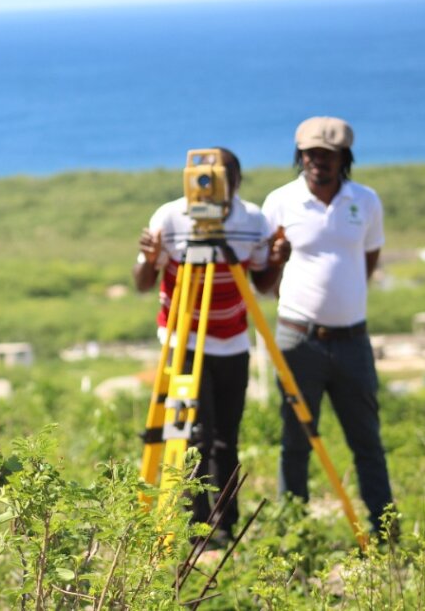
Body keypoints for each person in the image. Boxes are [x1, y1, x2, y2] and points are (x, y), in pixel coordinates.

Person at [133, 148, 288, 545]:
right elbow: (142, 281)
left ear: (236, 181)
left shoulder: (253, 220)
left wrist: (276, 260)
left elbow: (263, 285)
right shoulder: (169, 216)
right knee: (192, 434)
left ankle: (224, 525)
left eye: (218, 177)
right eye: (200, 176)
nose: (209, 186)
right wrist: (151, 259)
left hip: (231, 342)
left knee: (225, 437)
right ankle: (193, 527)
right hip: (182, 341)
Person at [261, 116, 395, 535]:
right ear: (300, 157)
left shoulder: (366, 201)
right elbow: (265, 276)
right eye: (310, 154)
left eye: (328, 155)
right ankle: (294, 538)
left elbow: (368, 260)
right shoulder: (279, 202)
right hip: (298, 338)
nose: (318, 162)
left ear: (344, 158)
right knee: (295, 441)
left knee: (367, 441)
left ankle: (385, 532)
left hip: (353, 339)